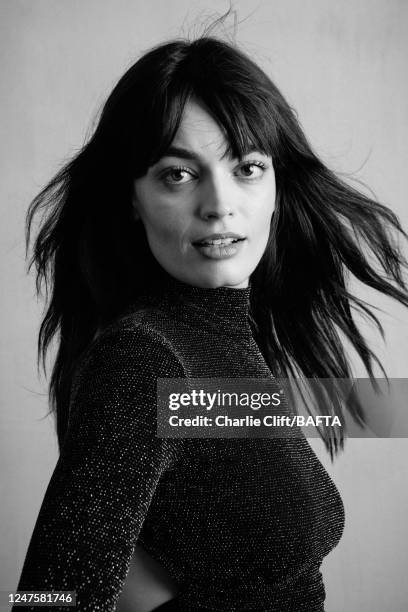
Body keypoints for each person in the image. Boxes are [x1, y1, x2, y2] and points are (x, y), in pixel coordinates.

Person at [14, 34, 408, 612]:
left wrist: (390, 409)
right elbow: (51, 599)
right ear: (133, 198)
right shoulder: (143, 359)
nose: (220, 203)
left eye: (247, 167)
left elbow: (224, 414)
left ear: (276, 186)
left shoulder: (211, 344)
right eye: (177, 174)